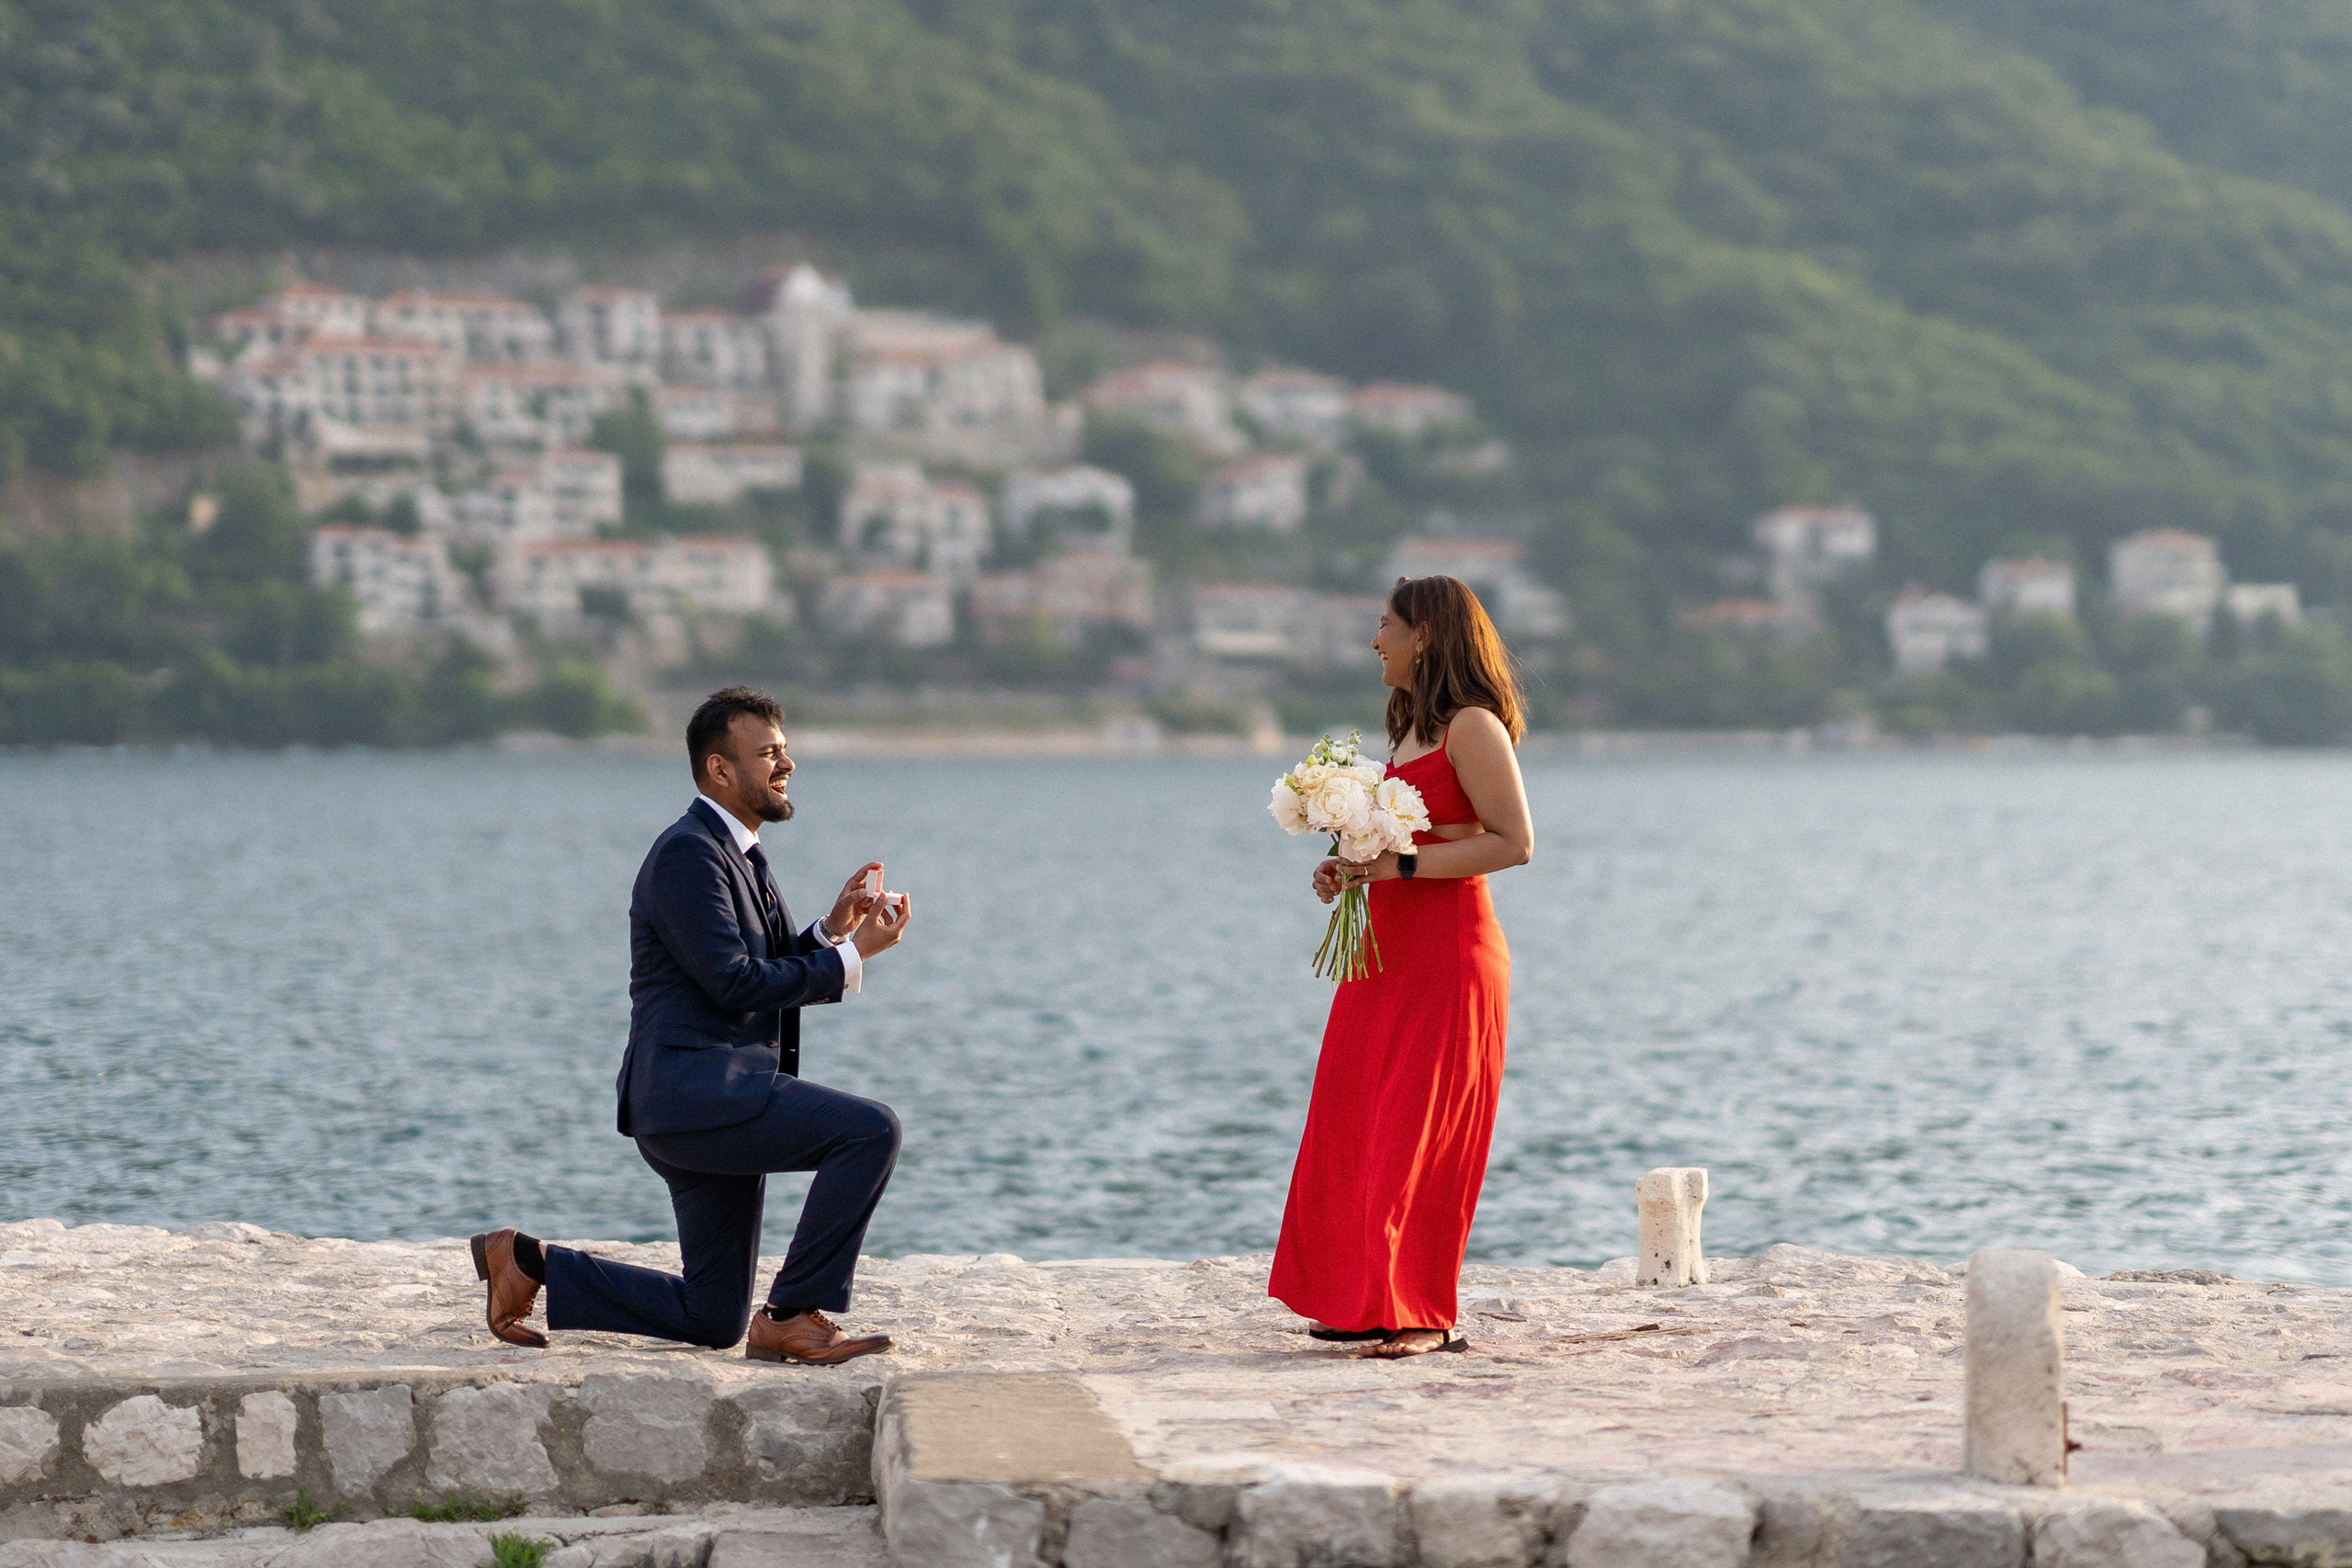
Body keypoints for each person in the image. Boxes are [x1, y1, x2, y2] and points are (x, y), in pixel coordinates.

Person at [471, 685, 913, 1365]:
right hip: (699, 1098)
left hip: (708, 1100)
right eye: (767, 752)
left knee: (710, 1316)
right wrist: (855, 960)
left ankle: (527, 1261)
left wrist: (832, 931)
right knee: (869, 1129)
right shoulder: (687, 854)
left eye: (785, 749)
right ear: (720, 769)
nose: (786, 762)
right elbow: (733, 980)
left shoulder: (735, 855)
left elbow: (749, 965)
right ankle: (791, 1313)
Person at [1268, 576, 1533, 1359]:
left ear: (1426, 636)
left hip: (1449, 955)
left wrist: (1400, 866)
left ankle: (1421, 1310)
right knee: (1356, 1118)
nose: (1374, 641)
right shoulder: (1406, 726)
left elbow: (1514, 842)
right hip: (1382, 951)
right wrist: (1347, 868)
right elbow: (1400, 843)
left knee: (1419, 1130)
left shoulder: (1473, 727)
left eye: (1385, 626)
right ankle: (1361, 1298)